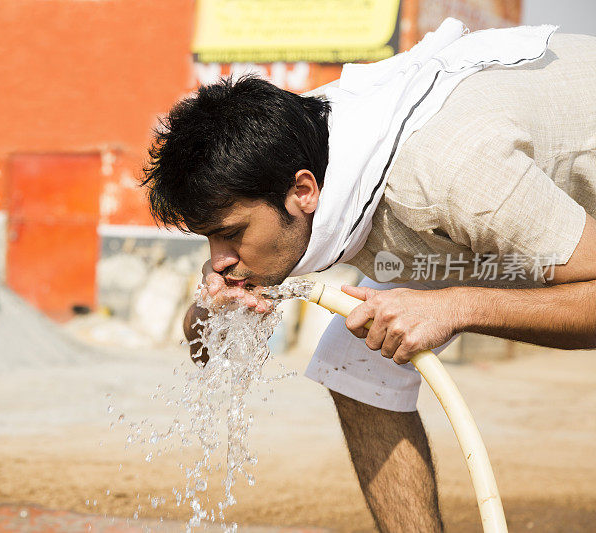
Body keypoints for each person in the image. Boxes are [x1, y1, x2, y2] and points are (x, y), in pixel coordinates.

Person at [140, 18, 596, 532]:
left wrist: (456, 307)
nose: (219, 257)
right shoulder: (287, 147)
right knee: (355, 363)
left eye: (230, 234)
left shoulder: (453, 177)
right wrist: (211, 304)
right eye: (208, 240)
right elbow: (202, 348)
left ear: (304, 192)